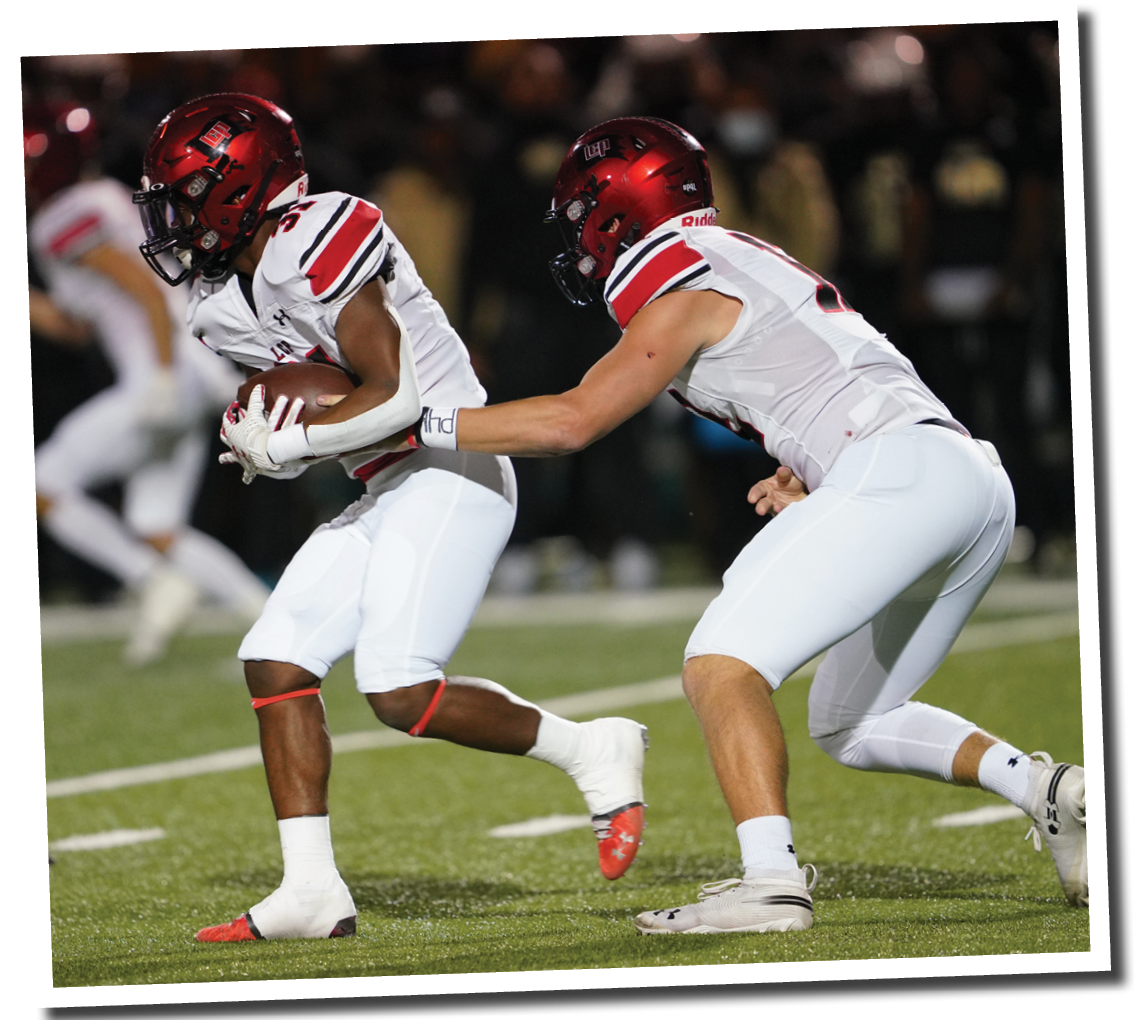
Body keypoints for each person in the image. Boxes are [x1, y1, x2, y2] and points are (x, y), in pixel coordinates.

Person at [371, 116, 1086, 933]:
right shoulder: (731, 255)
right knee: (852, 719)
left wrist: (412, 425)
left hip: (900, 472)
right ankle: (1047, 789)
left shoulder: (676, 276)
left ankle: (771, 883)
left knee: (721, 664)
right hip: (965, 479)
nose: (575, 242)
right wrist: (819, 465)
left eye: (581, 218)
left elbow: (573, 421)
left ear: (615, 212)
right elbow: (841, 369)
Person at [133, 93, 648, 941]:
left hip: (455, 467)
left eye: (186, 198)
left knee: (399, 687)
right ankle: (311, 889)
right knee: (275, 655)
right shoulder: (222, 299)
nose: (176, 222)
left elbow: (394, 392)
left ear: (239, 187)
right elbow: (310, 396)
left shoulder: (318, 230)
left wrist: (290, 444)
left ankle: (591, 747)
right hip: (387, 484)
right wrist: (264, 425)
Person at [25, 100, 270, 666]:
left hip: (162, 374)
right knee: (155, 523)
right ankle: (267, 618)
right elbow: (77, 327)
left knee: (41, 485)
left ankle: (149, 579)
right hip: (185, 371)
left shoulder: (63, 216)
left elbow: (143, 290)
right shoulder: (102, 199)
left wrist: (159, 375)